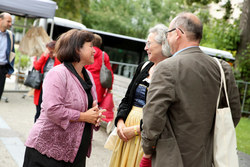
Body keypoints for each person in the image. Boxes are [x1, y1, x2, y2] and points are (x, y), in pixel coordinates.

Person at [141, 12, 241, 167]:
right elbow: (234, 113)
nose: (167, 38)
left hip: (171, 158)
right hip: (207, 158)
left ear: (178, 34)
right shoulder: (221, 68)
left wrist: (147, 149)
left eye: (168, 33)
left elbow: (153, 118)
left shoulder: (167, 68)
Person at [23, 29, 105, 167]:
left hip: (75, 151)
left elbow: (91, 107)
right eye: (90, 46)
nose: (94, 51)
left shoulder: (88, 76)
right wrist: (84, 116)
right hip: (47, 151)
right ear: (77, 49)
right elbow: (52, 109)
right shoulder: (57, 74)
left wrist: (96, 116)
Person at [109, 24, 171, 167]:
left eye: (149, 43)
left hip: (146, 136)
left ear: (163, 45)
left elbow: (164, 113)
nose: (145, 48)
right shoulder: (144, 67)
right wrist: (120, 123)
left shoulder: (170, 73)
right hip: (125, 133)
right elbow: (126, 99)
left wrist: (136, 130)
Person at [33, 41, 61, 122]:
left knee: (48, 111)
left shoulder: (59, 59)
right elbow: (37, 67)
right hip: (41, 87)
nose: (50, 54)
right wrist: (44, 56)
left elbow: (58, 70)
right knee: (38, 111)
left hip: (53, 89)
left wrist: (56, 57)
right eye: (49, 51)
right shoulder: (45, 56)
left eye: (52, 52)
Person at [85, 34, 114, 105]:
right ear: (100, 44)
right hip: (98, 89)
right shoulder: (104, 55)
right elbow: (110, 74)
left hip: (85, 84)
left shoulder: (85, 53)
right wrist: (109, 89)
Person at [0, 12, 15, 100]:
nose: (10, 24)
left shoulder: (10, 35)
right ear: (0, 20)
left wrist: (10, 69)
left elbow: (12, 53)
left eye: (11, 22)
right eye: (8, 21)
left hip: (2, 70)